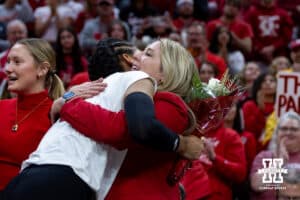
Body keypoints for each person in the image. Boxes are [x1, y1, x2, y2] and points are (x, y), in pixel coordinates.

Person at [3, 38, 205, 200]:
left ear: (166, 72)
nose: (136, 57)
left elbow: (128, 129)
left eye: (148, 54)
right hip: (42, 176)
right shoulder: (129, 89)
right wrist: (67, 99)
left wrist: (68, 102)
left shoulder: (168, 102)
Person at [0, 38, 65, 192]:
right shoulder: (1, 106)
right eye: (8, 61)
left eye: (17, 62)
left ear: (42, 69)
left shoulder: (57, 115)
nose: (7, 69)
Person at [250, 111, 300, 200]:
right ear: (277, 132)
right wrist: (278, 164)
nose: (288, 132)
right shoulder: (263, 157)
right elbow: (256, 185)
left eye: (294, 129)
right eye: (284, 129)